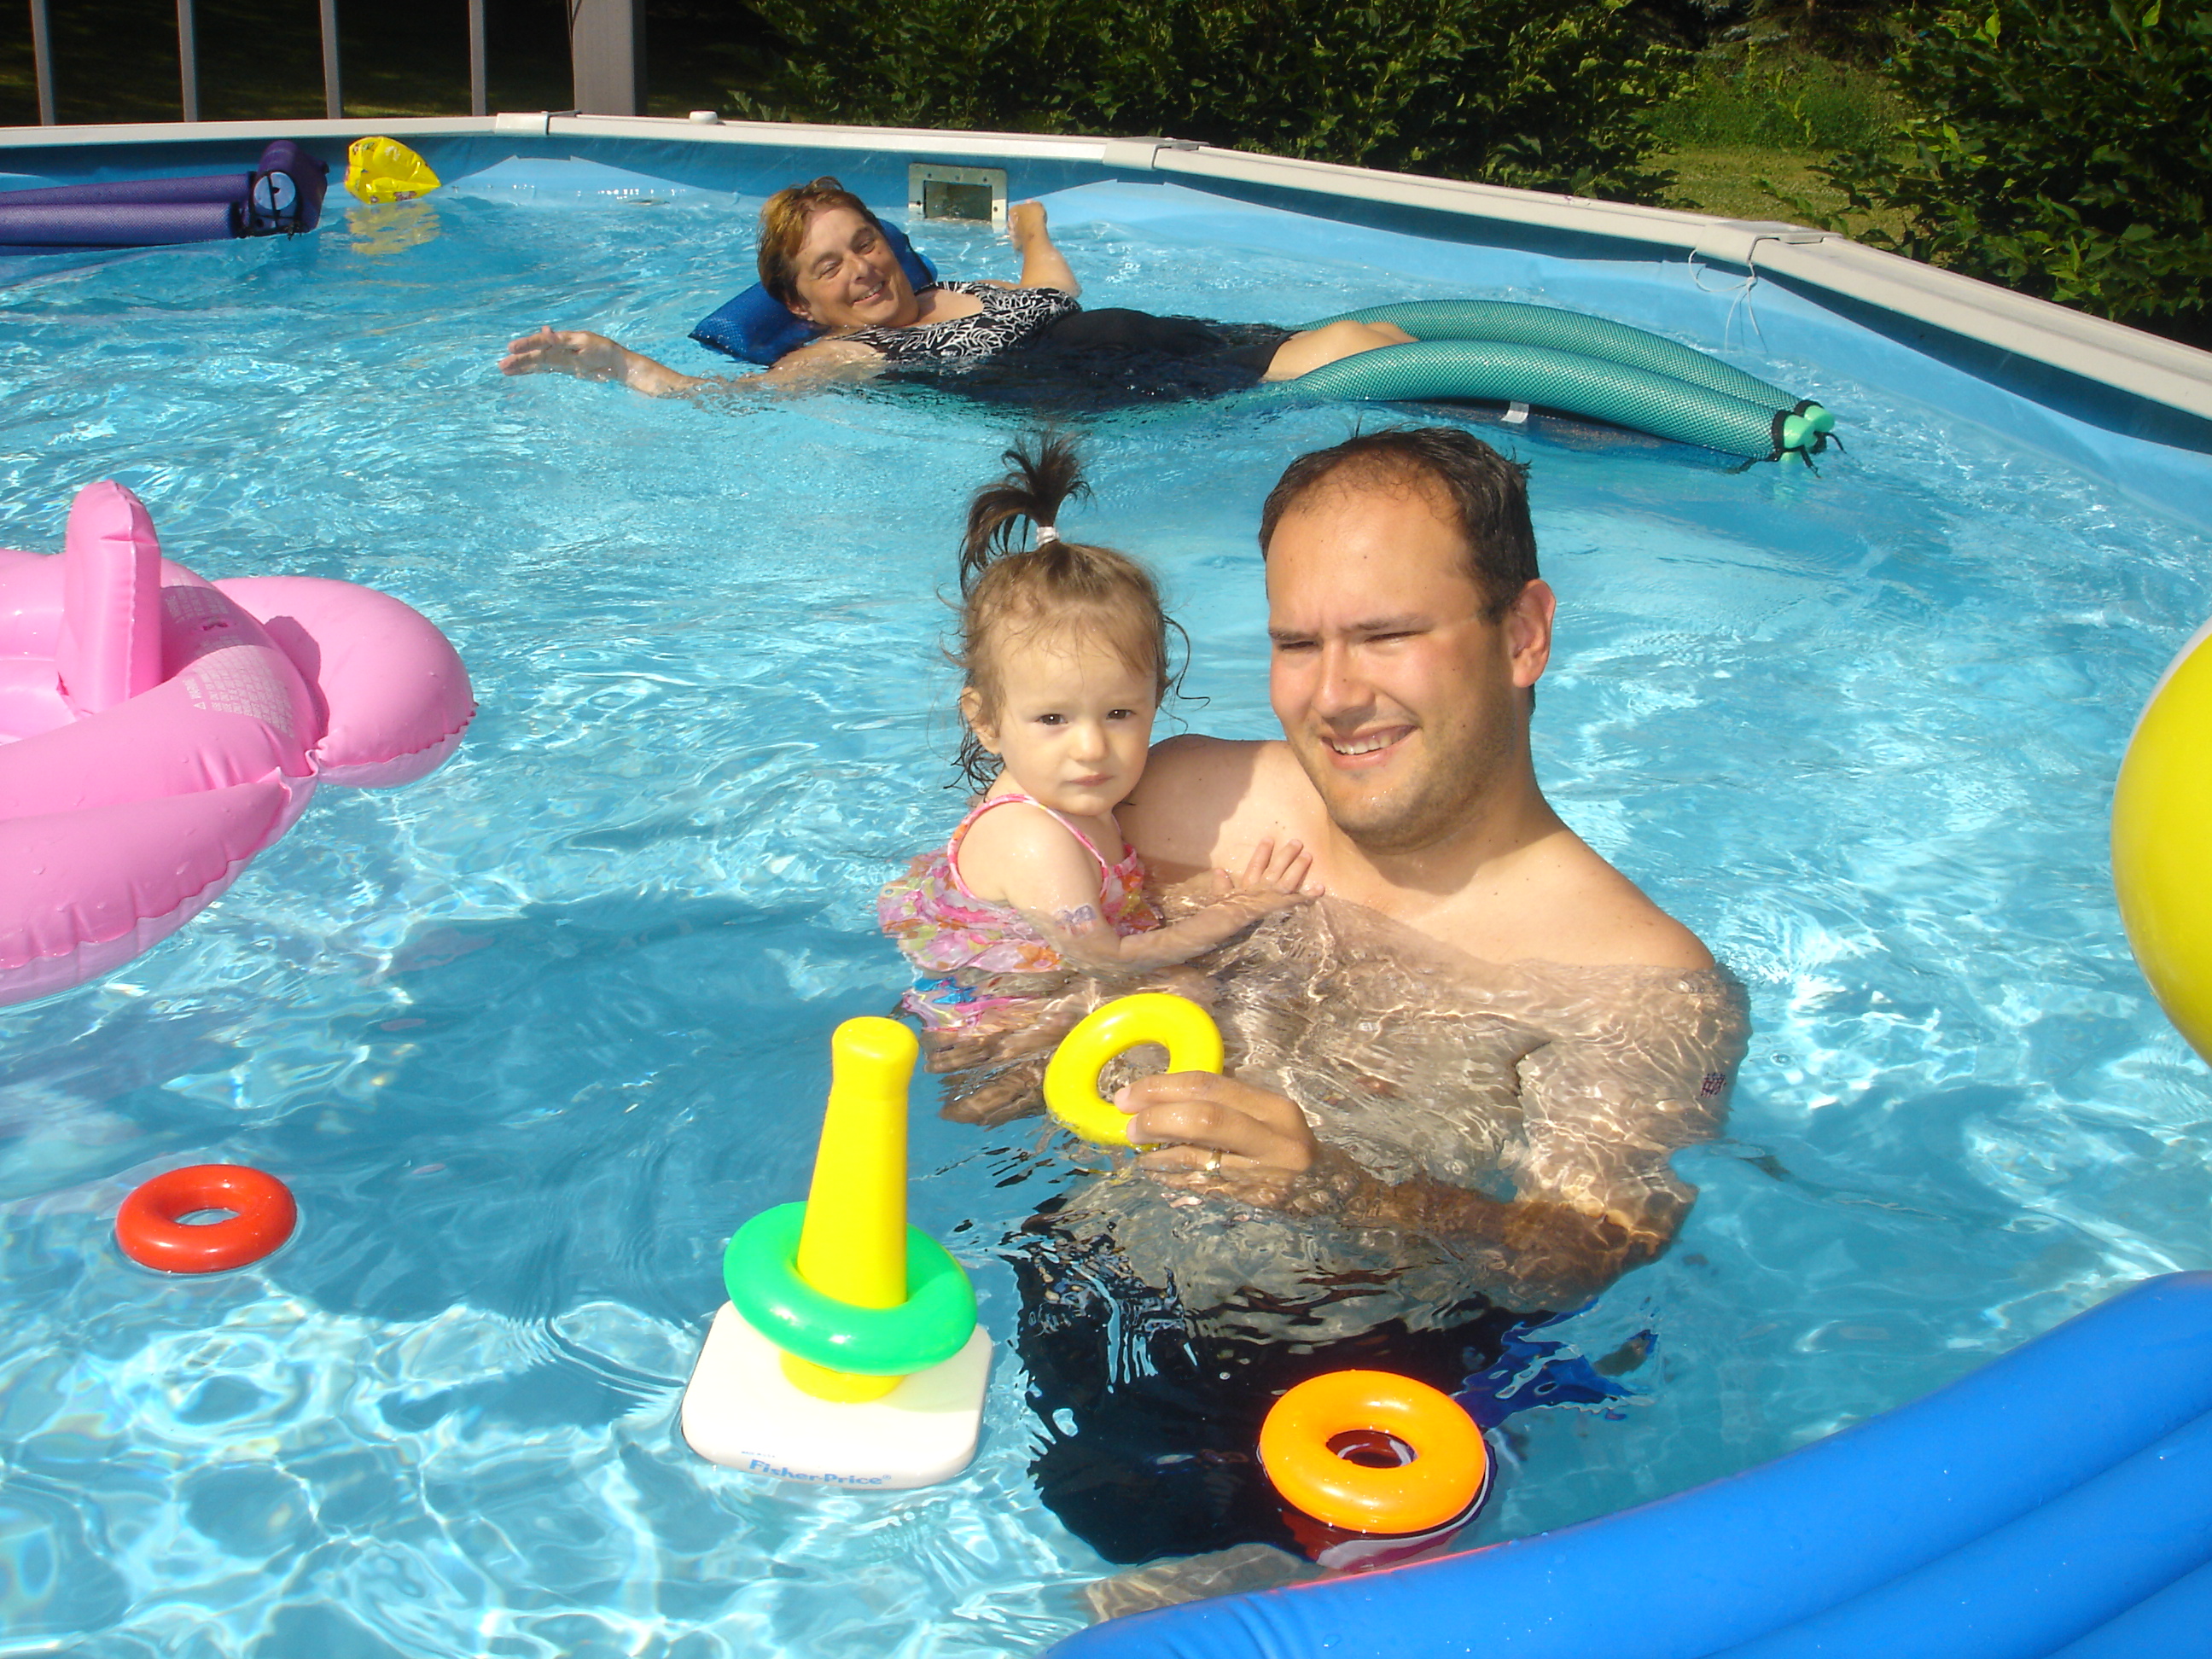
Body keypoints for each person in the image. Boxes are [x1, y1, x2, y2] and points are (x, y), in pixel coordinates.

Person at [944, 424, 1748, 1577]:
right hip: (1061, 1288)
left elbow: (1586, 1254)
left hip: (1338, 1392)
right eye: (1296, 643)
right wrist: (1001, 1031)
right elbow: (977, 957)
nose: (1334, 695)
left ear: (1522, 634)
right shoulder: (1185, 803)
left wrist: (1344, 1192)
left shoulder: (1638, 982)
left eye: (1386, 635)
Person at [878, 437, 1316, 1041]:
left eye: (1117, 713)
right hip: (990, 1015)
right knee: (1195, 996)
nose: (1091, 747)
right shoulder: (1036, 839)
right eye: (1053, 719)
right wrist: (1236, 913)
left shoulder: (1067, 796)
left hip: (1046, 958)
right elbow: (1105, 959)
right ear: (986, 722)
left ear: (1154, 700)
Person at [498, 177, 1413, 401]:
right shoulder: (850, 353)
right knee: (1368, 354)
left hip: (1189, 335)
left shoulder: (964, 287)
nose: (862, 268)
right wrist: (618, 363)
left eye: (864, 243)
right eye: (829, 266)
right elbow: (732, 401)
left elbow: (1053, 293)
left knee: (1385, 337)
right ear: (802, 306)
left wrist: (1033, 232)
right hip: (1147, 382)